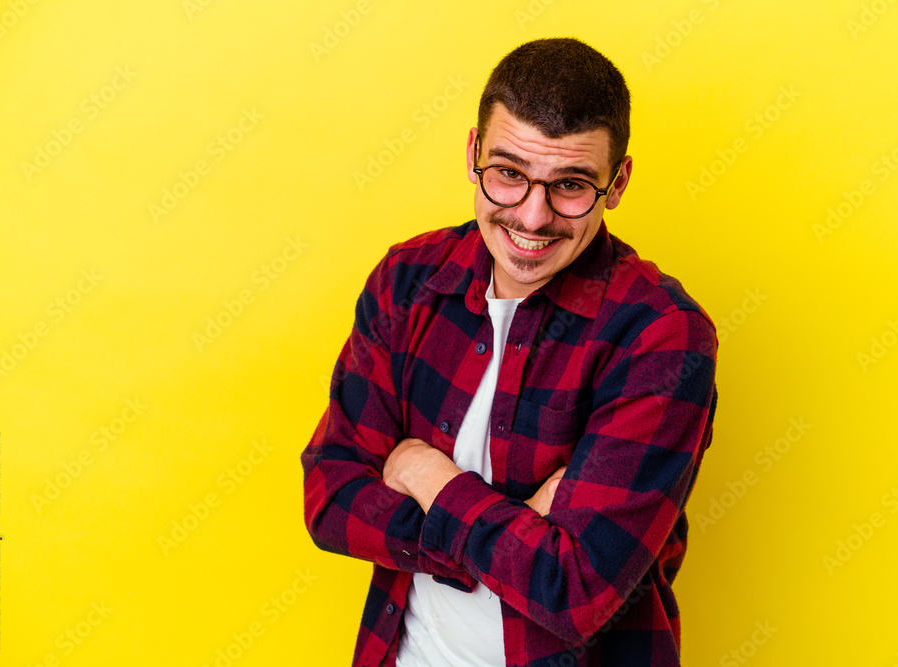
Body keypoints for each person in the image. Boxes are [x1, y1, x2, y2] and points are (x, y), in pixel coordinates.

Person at [302, 38, 718, 667]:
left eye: (571, 186)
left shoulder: (661, 337)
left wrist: (427, 476)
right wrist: (519, 527)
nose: (533, 216)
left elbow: (576, 592)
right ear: (473, 154)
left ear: (619, 181)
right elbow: (330, 496)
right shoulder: (409, 279)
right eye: (508, 174)